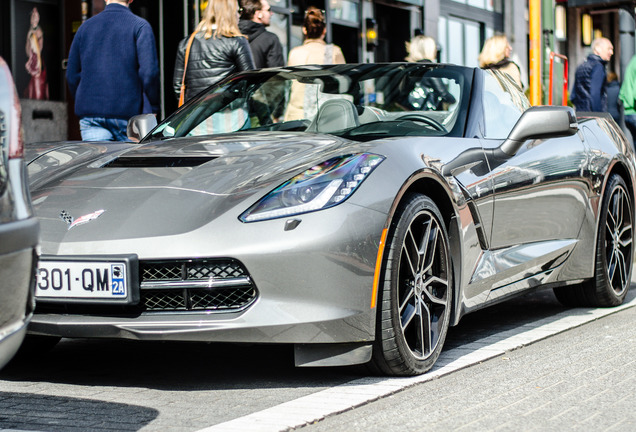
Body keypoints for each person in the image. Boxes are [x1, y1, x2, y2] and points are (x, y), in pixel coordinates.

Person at [66, 0, 160, 142]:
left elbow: (71, 75)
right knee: (129, 164)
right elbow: (149, 73)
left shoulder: (85, 28)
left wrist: (84, 98)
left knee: (98, 163)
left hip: (91, 115)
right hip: (129, 116)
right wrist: (153, 107)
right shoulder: (140, 26)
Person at [173, 0, 255, 104]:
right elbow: (250, 81)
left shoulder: (187, 42)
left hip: (197, 114)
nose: (239, 15)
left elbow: (178, 85)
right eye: (239, 11)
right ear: (231, 13)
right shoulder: (237, 41)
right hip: (229, 110)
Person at [285, 7, 345, 120]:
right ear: (324, 30)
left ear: (304, 30)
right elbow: (344, 84)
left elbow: (288, 85)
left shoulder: (295, 53)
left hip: (297, 117)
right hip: (325, 116)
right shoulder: (334, 52)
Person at [404, 35, 455, 110]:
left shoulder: (407, 70)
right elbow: (445, 95)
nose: (436, 51)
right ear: (429, 50)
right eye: (435, 48)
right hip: (428, 117)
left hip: (409, 115)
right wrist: (453, 100)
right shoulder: (430, 71)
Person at [570, 37, 614, 112]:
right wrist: (598, 115)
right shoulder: (598, 67)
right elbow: (595, 94)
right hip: (592, 115)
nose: (611, 52)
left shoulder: (581, 66)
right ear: (598, 49)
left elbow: (573, 96)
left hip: (580, 114)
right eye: (609, 49)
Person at [238, 0, 284, 68]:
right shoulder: (270, 39)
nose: (271, 13)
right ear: (259, 14)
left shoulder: (233, 37)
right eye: (268, 10)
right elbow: (276, 73)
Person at [24, 7, 49, 100]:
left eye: (36, 16)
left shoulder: (39, 31)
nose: (35, 18)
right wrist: (30, 58)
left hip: (37, 62)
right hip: (32, 60)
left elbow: (39, 48)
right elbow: (27, 47)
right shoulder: (30, 31)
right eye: (33, 16)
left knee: (38, 87)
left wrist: (35, 61)